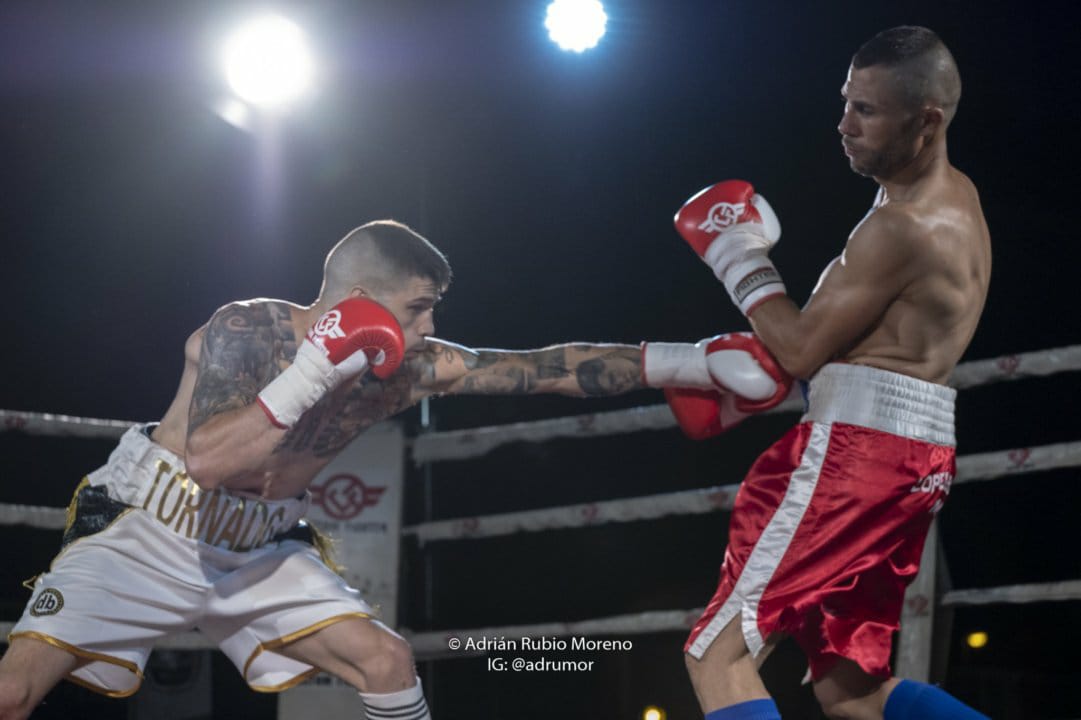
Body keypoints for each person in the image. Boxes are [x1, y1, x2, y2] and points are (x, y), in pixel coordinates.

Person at [0, 219, 790, 720]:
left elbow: (543, 368)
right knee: (13, 691)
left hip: (258, 544)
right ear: (360, 299)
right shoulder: (249, 331)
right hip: (152, 524)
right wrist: (315, 368)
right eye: (417, 307)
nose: (429, 325)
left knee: (386, 661)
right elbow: (207, 460)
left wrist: (686, 362)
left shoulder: (409, 368)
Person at [671, 27, 991, 720]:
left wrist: (736, 254)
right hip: (915, 459)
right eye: (846, 101)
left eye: (866, 111)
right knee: (851, 690)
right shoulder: (957, 197)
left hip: (856, 455)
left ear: (927, 120)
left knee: (716, 657)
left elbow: (798, 350)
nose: (843, 125)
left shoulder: (901, 228)